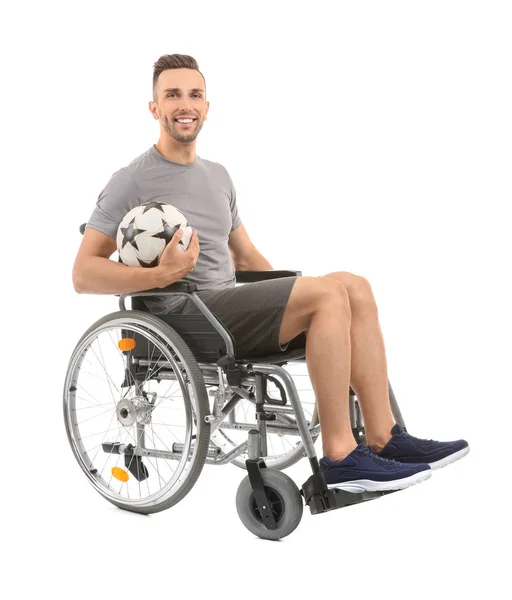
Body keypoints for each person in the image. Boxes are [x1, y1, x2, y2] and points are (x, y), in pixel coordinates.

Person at [72, 53, 469, 494]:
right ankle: (339, 456)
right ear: (154, 108)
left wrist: (304, 291)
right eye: (172, 95)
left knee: (352, 286)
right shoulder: (131, 179)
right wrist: (160, 274)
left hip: (228, 306)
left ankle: (385, 437)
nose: (185, 104)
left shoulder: (218, 175)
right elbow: (83, 274)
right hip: (187, 317)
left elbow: (245, 259)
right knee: (327, 294)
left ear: (206, 106)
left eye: (194, 95)